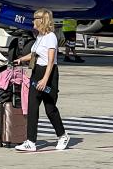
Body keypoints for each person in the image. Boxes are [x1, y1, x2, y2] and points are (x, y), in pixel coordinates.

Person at [13, 9, 70, 151]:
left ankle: (62, 135)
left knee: (50, 109)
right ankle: (31, 142)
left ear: (41, 20)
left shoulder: (51, 37)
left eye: (34, 19)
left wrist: (45, 79)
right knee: (32, 107)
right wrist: (21, 60)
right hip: (36, 72)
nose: (32, 21)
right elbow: (35, 55)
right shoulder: (39, 36)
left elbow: (51, 61)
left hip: (48, 74)